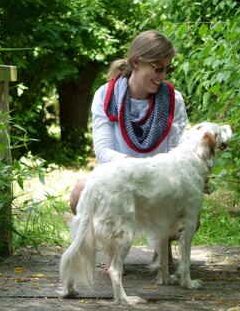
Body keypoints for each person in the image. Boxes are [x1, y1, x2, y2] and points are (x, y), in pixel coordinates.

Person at [70, 30, 188, 274]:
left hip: (159, 185)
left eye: (168, 69)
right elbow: (103, 152)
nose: (162, 76)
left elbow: (178, 154)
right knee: (80, 193)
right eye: (158, 68)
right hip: (118, 181)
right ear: (136, 63)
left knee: (190, 211)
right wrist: (137, 171)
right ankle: (114, 251)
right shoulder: (105, 96)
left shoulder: (174, 99)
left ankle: (162, 249)